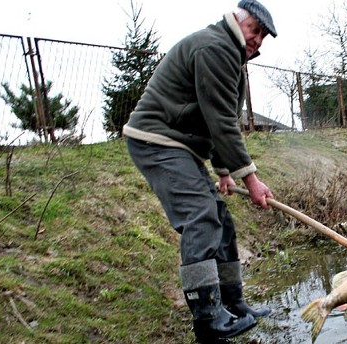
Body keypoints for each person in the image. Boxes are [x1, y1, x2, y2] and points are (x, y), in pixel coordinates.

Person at [123, 0, 276, 341]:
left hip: (182, 144)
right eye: (255, 31)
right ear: (238, 21)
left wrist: (223, 171)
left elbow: (216, 118)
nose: (257, 41)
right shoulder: (216, 47)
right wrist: (250, 178)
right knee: (200, 216)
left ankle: (234, 306)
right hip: (157, 140)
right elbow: (221, 122)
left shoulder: (230, 54)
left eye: (263, 37)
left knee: (220, 219)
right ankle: (208, 318)